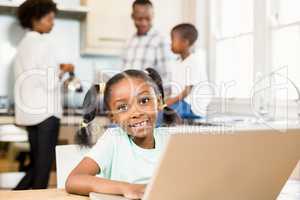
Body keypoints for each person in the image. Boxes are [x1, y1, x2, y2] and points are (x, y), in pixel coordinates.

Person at [65, 68, 179, 199]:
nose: (136, 113)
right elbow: (74, 180)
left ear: (158, 102)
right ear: (112, 117)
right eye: (123, 107)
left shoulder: (170, 139)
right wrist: (127, 188)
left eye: (144, 101)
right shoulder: (114, 139)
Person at [14, 0, 74, 189]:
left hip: (30, 114)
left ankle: (13, 195)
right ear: (35, 19)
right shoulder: (42, 43)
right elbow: (49, 82)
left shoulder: (23, 44)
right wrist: (65, 70)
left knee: (36, 167)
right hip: (46, 114)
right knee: (42, 171)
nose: (52, 23)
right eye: (49, 19)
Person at [166, 23, 211, 120]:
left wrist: (170, 101)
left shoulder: (193, 61)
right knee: (160, 110)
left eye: (173, 40)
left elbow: (187, 90)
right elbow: (175, 89)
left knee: (164, 113)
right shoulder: (177, 63)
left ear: (185, 42)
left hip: (192, 107)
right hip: (180, 103)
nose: (170, 43)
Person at [122, 0, 172, 80]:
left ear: (153, 16)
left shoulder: (160, 40)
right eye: (139, 18)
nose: (144, 23)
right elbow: (123, 73)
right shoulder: (128, 42)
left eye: (148, 18)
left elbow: (167, 77)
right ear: (133, 16)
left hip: (149, 92)